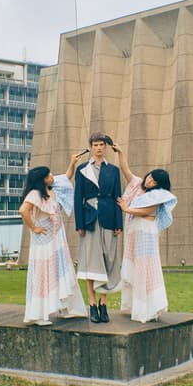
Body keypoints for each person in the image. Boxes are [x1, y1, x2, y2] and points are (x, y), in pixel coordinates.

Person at [19, 152, 87, 325]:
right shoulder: (35, 194)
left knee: (60, 270)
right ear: (42, 180)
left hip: (57, 238)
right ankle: (39, 314)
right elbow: (23, 210)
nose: (52, 177)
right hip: (44, 241)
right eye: (48, 175)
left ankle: (66, 307)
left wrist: (72, 162)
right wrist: (34, 227)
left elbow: (66, 177)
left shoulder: (52, 189)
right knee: (43, 273)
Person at [113, 145, 177, 323]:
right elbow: (125, 170)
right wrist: (121, 153)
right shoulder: (137, 185)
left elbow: (148, 211)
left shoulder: (158, 195)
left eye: (154, 181)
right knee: (134, 265)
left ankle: (148, 308)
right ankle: (134, 306)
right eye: (150, 177)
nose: (149, 181)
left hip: (145, 232)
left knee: (146, 266)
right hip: (134, 232)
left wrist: (127, 208)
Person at [74, 132, 123, 323]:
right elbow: (78, 197)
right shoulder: (82, 169)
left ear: (105, 146)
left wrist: (119, 223)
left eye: (102, 144)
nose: (99, 148)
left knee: (108, 259)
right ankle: (92, 304)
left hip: (110, 218)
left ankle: (104, 304)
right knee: (91, 262)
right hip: (90, 219)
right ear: (91, 147)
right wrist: (79, 223)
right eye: (95, 145)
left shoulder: (113, 170)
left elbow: (118, 197)